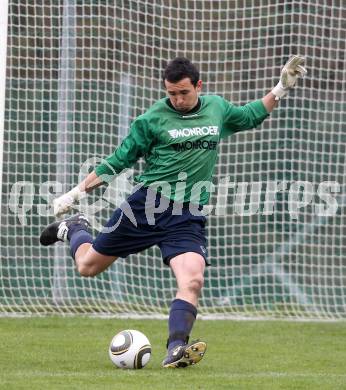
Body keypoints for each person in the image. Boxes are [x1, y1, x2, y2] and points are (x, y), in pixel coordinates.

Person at [40, 56, 306, 368]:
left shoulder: (217, 108)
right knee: (87, 267)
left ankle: (176, 348)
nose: (177, 100)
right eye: (171, 94)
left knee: (193, 281)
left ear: (198, 86)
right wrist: (75, 192)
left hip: (187, 215)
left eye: (183, 92)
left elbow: (251, 115)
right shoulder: (152, 119)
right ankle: (74, 228)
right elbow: (117, 161)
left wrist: (281, 88)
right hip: (146, 208)